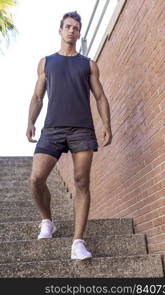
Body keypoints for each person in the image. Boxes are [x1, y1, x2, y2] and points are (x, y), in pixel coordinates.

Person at [26, 11, 112, 260]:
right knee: (36, 178)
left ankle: (78, 242)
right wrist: (30, 120)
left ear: (79, 32)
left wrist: (106, 124)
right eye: (68, 26)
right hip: (52, 129)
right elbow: (37, 96)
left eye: (76, 27)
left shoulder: (88, 64)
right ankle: (47, 220)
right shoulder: (46, 62)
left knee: (81, 182)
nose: (72, 30)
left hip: (82, 130)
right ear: (60, 30)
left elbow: (100, 97)